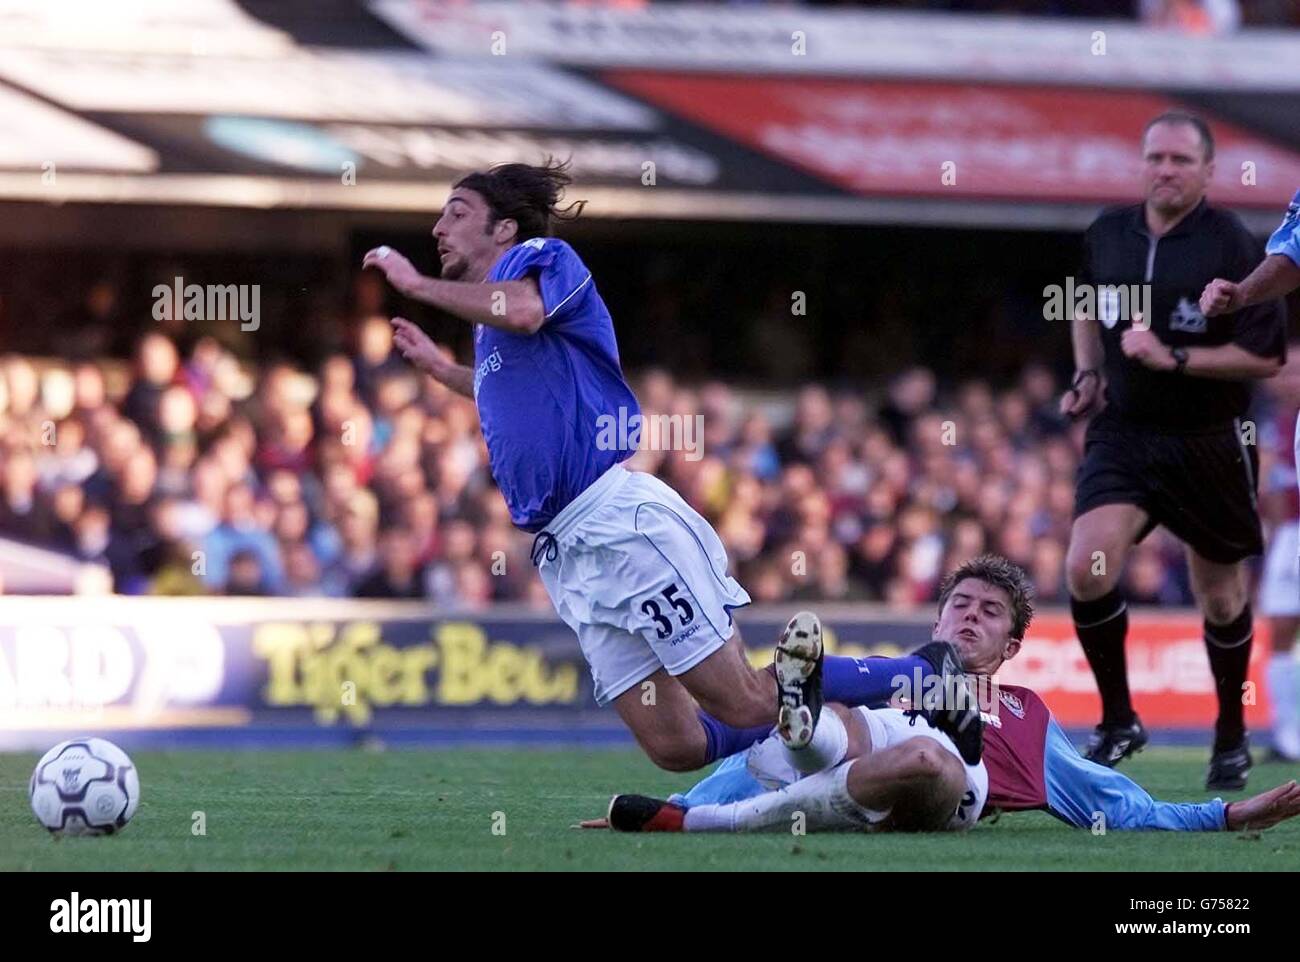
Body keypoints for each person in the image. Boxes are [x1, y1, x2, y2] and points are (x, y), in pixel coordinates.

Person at [362, 160, 973, 773]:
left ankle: (923, 675)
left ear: (505, 231)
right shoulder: (488, 331)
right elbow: (515, 396)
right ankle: (836, 715)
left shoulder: (542, 260)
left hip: (620, 526)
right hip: (567, 555)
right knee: (678, 746)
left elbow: (521, 309)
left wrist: (415, 285)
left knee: (741, 701)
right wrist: (445, 374)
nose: (439, 226)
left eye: (457, 212)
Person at [588, 556, 1300, 835]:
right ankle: (818, 739)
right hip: (839, 769)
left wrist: (1230, 813)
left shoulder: (1024, 715)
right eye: (960, 604)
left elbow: (1116, 802)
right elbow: (754, 745)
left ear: (1013, 649)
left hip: (938, 792)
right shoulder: (884, 678)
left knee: (927, 753)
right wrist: (684, 804)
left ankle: (852, 737)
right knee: (817, 727)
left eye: (990, 613)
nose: (969, 615)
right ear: (936, 618)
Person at [1060, 112, 1287, 789]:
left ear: (1209, 171)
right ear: (1142, 163)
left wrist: (1174, 356)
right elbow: (1081, 302)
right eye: (1156, 157)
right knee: (1085, 568)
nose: (1166, 169)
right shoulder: (1107, 232)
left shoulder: (1233, 245)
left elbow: (1265, 355)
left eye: (1181, 160)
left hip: (1209, 440)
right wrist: (1087, 373)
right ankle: (1118, 718)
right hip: (1126, 432)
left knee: (1220, 596)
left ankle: (1230, 733)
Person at [1201, 189, 1300, 760]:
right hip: (1290, 537)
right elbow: (1292, 252)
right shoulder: (1279, 429)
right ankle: (1289, 735)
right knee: (1283, 626)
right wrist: (1241, 295)